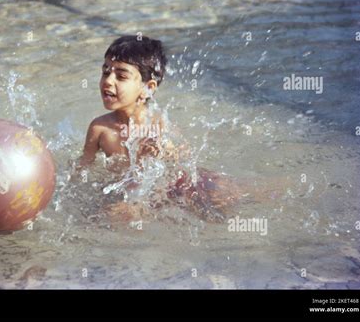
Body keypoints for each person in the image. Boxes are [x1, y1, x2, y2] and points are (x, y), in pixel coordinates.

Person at [78, 35, 243, 223]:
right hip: (134, 192)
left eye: (121, 76)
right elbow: (83, 167)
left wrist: (163, 152)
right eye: (105, 72)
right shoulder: (99, 128)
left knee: (220, 201)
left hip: (171, 188)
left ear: (148, 88)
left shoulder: (158, 125)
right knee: (116, 214)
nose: (108, 81)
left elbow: (183, 161)